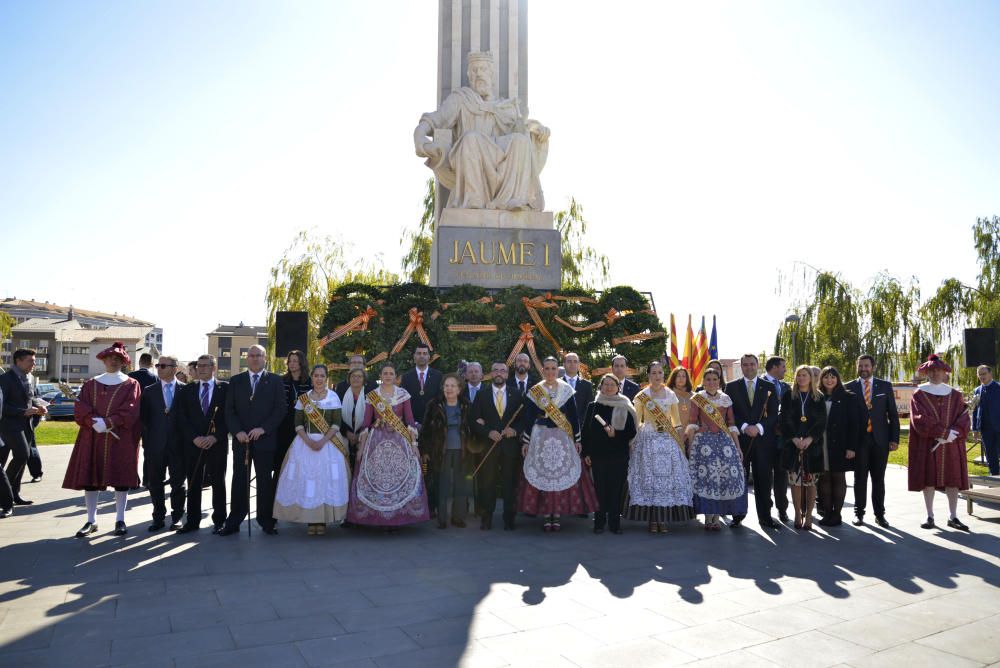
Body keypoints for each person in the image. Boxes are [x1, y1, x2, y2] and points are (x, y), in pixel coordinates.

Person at [414, 50, 549, 211]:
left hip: (499, 152)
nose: (479, 74)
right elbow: (436, 119)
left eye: (483, 69)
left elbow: (523, 127)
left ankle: (511, 200)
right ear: (469, 76)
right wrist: (419, 136)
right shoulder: (461, 99)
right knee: (471, 139)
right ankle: (474, 201)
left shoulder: (506, 107)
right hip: (470, 153)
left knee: (520, 142)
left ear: (492, 75)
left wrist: (539, 129)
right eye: (474, 70)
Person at [63, 342, 142, 537]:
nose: (113, 362)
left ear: (123, 362)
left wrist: (109, 422)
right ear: (104, 360)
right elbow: (80, 406)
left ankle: (120, 519)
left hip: (120, 437)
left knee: (120, 478)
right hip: (92, 436)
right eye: (110, 358)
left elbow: (131, 408)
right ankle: (91, 520)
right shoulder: (91, 383)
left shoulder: (131, 384)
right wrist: (92, 421)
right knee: (91, 478)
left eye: (117, 359)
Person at [517, 356, 598, 531]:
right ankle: (547, 513)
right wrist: (526, 442)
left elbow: (574, 417)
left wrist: (577, 439)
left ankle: (557, 514)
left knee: (559, 473)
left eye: (554, 368)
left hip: (562, 436)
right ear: (543, 370)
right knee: (545, 474)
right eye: (547, 368)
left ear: (557, 370)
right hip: (541, 436)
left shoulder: (566, 390)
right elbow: (529, 418)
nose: (551, 371)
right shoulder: (536, 391)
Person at [347, 363, 430, 529]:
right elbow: (366, 422)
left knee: (400, 476)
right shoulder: (373, 396)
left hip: (400, 440)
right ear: (380, 375)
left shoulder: (403, 395)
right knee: (376, 477)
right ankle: (378, 519)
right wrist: (361, 447)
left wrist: (414, 444)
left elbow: (410, 420)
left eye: (391, 373)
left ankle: (398, 519)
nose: (388, 376)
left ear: (396, 377)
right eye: (385, 373)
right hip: (376, 440)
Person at [274, 364, 351, 535]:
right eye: (316, 375)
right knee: (308, 479)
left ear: (326, 378)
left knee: (325, 479)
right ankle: (310, 520)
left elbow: (336, 423)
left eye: (322, 376)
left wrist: (322, 441)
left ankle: (323, 520)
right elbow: (298, 423)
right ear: (312, 377)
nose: (319, 379)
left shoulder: (333, 397)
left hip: (329, 443)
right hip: (305, 443)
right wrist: (308, 441)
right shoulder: (304, 399)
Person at [219, 345, 287, 536]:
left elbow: (280, 409)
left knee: (265, 482)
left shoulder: (274, 380)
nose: (255, 358)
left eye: (259, 355)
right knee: (239, 481)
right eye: (251, 355)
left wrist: (263, 429)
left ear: (265, 358)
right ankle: (234, 521)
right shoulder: (236, 381)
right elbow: (229, 410)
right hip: (242, 441)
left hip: (265, 440)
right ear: (246, 359)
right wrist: (237, 431)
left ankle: (266, 520)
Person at [625, 361, 693, 533]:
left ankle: (663, 519)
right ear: (648, 375)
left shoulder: (670, 394)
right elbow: (636, 421)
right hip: (648, 440)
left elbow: (676, 421)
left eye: (660, 373)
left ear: (663, 375)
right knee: (650, 478)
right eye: (653, 373)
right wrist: (634, 441)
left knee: (666, 480)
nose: (657, 376)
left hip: (667, 441)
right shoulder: (642, 396)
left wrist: (679, 441)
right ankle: (652, 520)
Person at [909, 355, 972, 531]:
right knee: (928, 480)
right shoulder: (919, 394)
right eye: (932, 370)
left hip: (952, 445)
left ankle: (953, 516)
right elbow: (919, 419)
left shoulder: (955, 394)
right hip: (928, 444)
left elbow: (964, 418)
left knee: (953, 480)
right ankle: (929, 515)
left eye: (938, 370)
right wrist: (942, 432)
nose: (935, 373)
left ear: (945, 372)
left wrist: (954, 434)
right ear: (927, 372)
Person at [687, 367, 746, 530]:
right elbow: (692, 423)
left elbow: (731, 424)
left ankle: (717, 517)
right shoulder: (698, 398)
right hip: (703, 443)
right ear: (703, 382)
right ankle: (708, 516)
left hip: (724, 443)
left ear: (719, 381)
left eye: (714, 379)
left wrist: (738, 447)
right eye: (708, 380)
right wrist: (691, 446)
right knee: (706, 478)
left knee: (721, 478)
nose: (711, 382)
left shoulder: (726, 399)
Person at [845, 354, 900, 528]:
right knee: (859, 479)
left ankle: (880, 514)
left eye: (866, 366)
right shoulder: (849, 387)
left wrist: (894, 438)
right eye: (860, 366)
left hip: (880, 440)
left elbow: (892, 415)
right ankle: (859, 514)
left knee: (878, 479)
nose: (863, 369)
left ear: (873, 367)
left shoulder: (885, 386)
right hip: (859, 441)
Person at [726, 354, 780, 529]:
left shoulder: (769, 386)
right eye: (745, 364)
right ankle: (738, 514)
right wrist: (744, 426)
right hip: (740, 441)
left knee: (764, 480)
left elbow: (773, 415)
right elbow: (729, 413)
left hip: (763, 441)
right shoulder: (731, 387)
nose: (749, 367)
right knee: (739, 479)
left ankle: (765, 517)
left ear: (758, 365)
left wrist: (758, 427)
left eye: (752, 364)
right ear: (741, 367)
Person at [176, 354, 228, 534]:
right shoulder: (188, 390)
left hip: (217, 444)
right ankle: (192, 521)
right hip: (194, 445)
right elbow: (182, 418)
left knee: (218, 483)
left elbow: (230, 417)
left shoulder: (225, 389)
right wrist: (193, 438)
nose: (201, 369)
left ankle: (220, 520)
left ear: (213, 368)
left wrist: (216, 437)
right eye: (199, 366)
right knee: (193, 482)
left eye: (205, 366)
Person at [469, 361, 523, 530]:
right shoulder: (482, 395)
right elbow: (473, 420)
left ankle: (509, 519)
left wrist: (514, 430)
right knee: (487, 483)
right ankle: (487, 517)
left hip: (510, 447)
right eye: (496, 370)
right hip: (488, 447)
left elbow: (523, 419)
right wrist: (487, 432)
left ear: (507, 374)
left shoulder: (517, 394)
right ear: (491, 374)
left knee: (509, 483)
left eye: (503, 370)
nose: (499, 373)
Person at [581, 374, 637, 535]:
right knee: (600, 489)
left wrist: (616, 434)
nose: (609, 387)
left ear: (618, 387)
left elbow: (631, 432)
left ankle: (614, 523)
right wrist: (587, 452)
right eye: (606, 384)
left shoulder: (626, 405)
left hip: (618, 454)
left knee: (616, 489)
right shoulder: (593, 406)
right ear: (601, 386)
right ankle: (599, 522)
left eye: (612, 384)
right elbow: (586, 431)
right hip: (598, 455)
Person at [420, 374, 474, 529]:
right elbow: (425, 430)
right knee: (442, 485)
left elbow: (472, 428)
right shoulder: (434, 405)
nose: (449, 389)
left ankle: (458, 517)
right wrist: (425, 450)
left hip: (462, 451)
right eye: (446, 386)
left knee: (460, 485)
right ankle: (442, 519)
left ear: (459, 389)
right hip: (440, 451)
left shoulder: (466, 405)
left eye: (452, 386)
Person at [139, 355, 187, 531]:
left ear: (175, 368)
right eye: (158, 365)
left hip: (178, 445)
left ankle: (177, 517)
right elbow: (143, 419)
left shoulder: (186, 390)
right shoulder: (149, 391)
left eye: (163, 365)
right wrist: (147, 442)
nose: (159, 368)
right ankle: (158, 517)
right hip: (155, 446)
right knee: (155, 482)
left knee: (178, 483)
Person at [779, 365, 827, 531]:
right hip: (793, 446)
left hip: (812, 446)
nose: (801, 378)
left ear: (811, 378)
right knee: (796, 482)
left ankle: (808, 517)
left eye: (805, 375)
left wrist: (810, 438)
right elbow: (783, 420)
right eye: (798, 375)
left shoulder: (818, 397)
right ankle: (798, 515)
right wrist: (793, 438)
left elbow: (821, 422)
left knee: (811, 482)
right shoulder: (788, 396)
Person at [816, 366, 862, 527]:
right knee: (823, 479)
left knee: (838, 478)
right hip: (820, 444)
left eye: (832, 377)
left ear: (838, 379)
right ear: (821, 379)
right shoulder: (817, 397)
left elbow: (854, 425)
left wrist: (851, 447)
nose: (829, 380)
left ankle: (837, 514)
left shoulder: (849, 397)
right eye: (826, 377)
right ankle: (827, 513)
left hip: (840, 445)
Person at [0, 349, 45, 508]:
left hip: (26, 425)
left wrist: (39, 407)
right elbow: (2, 406)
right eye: (30, 361)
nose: (34, 364)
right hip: (8, 425)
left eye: (34, 360)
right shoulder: (5, 379)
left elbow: (31, 398)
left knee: (23, 458)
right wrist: (22, 412)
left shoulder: (31, 378)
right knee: (22, 454)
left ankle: (14, 494)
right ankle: (4, 490)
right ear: (18, 361)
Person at [276, 350, 311, 486]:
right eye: (290, 361)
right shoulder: (281, 381)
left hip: (302, 429)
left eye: (295, 361)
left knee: (299, 465)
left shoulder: (310, 382)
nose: (292, 364)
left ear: (302, 363)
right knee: (281, 465)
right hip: (283, 428)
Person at [763, 356, 791, 522]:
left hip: (782, 439)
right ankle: (766, 510)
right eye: (783, 367)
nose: (785, 370)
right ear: (774, 367)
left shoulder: (786, 387)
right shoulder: (759, 384)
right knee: (765, 477)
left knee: (782, 476)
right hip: (764, 438)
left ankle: (782, 509)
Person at [972, 364, 1000, 475]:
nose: (982, 376)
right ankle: (994, 478)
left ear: (990, 374)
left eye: (984, 374)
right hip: (985, 429)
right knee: (990, 455)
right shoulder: (977, 391)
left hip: (999, 426)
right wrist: (975, 429)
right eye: (979, 374)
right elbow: (974, 410)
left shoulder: (998, 388)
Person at [563, 352, 594, 419]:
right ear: (564, 364)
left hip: (580, 426)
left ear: (579, 365)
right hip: (559, 427)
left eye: (575, 361)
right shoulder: (556, 383)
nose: (572, 364)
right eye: (569, 361)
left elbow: (589, 409)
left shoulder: (587, 385)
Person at [666, 367, 693, 434]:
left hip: (690, 435)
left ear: (687, 379)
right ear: (673, 378)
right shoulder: (667, 395)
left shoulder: (693, 396)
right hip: (672, 435)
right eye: (678, 376)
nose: (681, 379)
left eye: (683, 376)